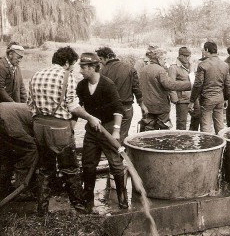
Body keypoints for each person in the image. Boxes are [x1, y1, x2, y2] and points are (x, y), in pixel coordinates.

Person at [28, 46, 101, 216]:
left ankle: (42, 210)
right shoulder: (66, 76)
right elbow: (72, 106)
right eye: (73, 64)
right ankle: (80, 209)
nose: (74, 68)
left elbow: (30, 104)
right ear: (66, 63)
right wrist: (90, 118)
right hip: (59, 128)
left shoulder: (36, 75)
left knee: (45, 169)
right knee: (70, 168)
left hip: (39, 127)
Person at [76, 52, 128, 211]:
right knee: (88, 164)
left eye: (83, 68)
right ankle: (88, 200)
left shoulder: (107, 85)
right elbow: (76, 108)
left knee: (116, 164)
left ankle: (122, 198)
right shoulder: (82, 86)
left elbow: (118, 109)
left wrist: (116, 132)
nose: (81, 71)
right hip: (92, 131)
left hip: (108, 128)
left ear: (93, 67)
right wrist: (71, 127)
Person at [95, 47, 148, 144]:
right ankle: (120, 156)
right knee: (122, 135)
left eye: (101, 60)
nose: (100, 63)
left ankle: (112, 155)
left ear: (106, 58)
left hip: (109, 109)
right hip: (126, 108)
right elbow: (136, 89)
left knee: (109, 135)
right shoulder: (130, 68)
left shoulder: (102, 72)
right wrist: (142, 105)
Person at [140, 47, 192, 131]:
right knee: (164, 130)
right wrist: (190, 85)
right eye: (164, 59)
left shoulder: (143, 69)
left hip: (147, 106)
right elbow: (170, 85)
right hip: (160, 106)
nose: (165, 61)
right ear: (158, 58)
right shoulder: (160, 71)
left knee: (149, 130)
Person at [188, 41, 230, 134]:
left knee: (206, 127)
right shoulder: (224, 65)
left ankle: (207, 146)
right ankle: (222, 146)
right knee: (220, 127)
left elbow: (198, 84)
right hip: (220, 98)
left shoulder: (203, 64)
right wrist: (226, 99)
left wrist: (192, 100)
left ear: (207, 50)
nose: (203, 52)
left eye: (204, 50)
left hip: (207, 99)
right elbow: (228, 84)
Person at [0, 103, 37, 201]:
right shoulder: (51, 116)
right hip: (7, 120)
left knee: (7, 154)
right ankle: (21, 191)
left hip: (5, 114)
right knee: (31, 149)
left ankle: (3, 188)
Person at [168, 47, 200, 130]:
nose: (188, 58)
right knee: (182, 121)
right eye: (186, 56)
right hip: (181, 99)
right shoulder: (173, 67)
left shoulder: (192, 65)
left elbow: (195, 80)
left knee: (197, 115)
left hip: (193, 97)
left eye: (189, 56)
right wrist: (175, 99)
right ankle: (181, 139)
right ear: (180, 56)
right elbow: (171, 84)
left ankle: (192, 134)